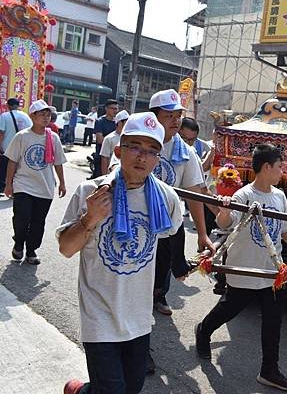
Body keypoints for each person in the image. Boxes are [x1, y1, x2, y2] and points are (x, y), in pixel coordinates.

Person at [58, 112, 183, 394]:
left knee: (132, 388)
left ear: (158, 159)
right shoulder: (91, 192)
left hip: (138, 318)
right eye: (135, 147)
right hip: (99, 314)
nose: (143, 157)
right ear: (118, 150)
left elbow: (171, 237)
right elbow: (66, 248)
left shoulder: (166, 199)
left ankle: (81, 391)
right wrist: (89, 219)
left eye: (152, 151)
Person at [195, 144, 287, 392]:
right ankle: (204, 330)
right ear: (266, 167)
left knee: (274, 321)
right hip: (244, 268)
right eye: (279, 166)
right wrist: (223, 208)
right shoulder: (243, 195)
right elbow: (225, 223)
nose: (281, 171)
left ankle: (269, 370)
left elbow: (285, 230)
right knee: (228, 309)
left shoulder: (279, 196)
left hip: (271, 271)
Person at [149, 89, 213, 316]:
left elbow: (195, 193)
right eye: (169, 116)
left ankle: (158, 296)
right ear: (154, 116)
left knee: (163, 264)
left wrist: (203, 234)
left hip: (168, 220)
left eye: (178, 116)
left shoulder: (185, 152)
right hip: (137, 218)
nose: (175, 121)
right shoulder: (140, 140)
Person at [4, 99, 66, 264]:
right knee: (22, 217)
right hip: (23, 185)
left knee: (38, 222)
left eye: (48, 115)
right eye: (42, 114)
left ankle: (31, 251)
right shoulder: (22, 137)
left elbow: (58, 162)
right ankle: (18, 243)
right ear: (32, 116)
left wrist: (62, 182)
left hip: (44, 187)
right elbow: (12, 162)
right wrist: (8, 184)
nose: (46, 118)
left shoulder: (53, 138)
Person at [0, 97, 33, 195]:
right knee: (18, 170)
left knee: (4, 169)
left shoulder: (4, 116)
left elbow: (1, 133)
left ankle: (3, 187)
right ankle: (17, 188)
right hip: (22, 148)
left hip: (7, 148)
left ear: (9, 106)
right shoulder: (26, 116)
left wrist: (0, 145)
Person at [91, 99, 118, 178]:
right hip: (101, 156)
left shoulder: (117, 122)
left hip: (114, 158)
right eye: (113, 108)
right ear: (106, 108)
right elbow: (100, 140)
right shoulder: (100, 121)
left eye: (116, 109)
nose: (115, 111)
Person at [100, 110, 129, 175]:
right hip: (112, 175)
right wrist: (104, 177)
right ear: (119, 123)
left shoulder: (130, 138)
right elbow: (104, 158)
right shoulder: (109, 138)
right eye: (126, 122)